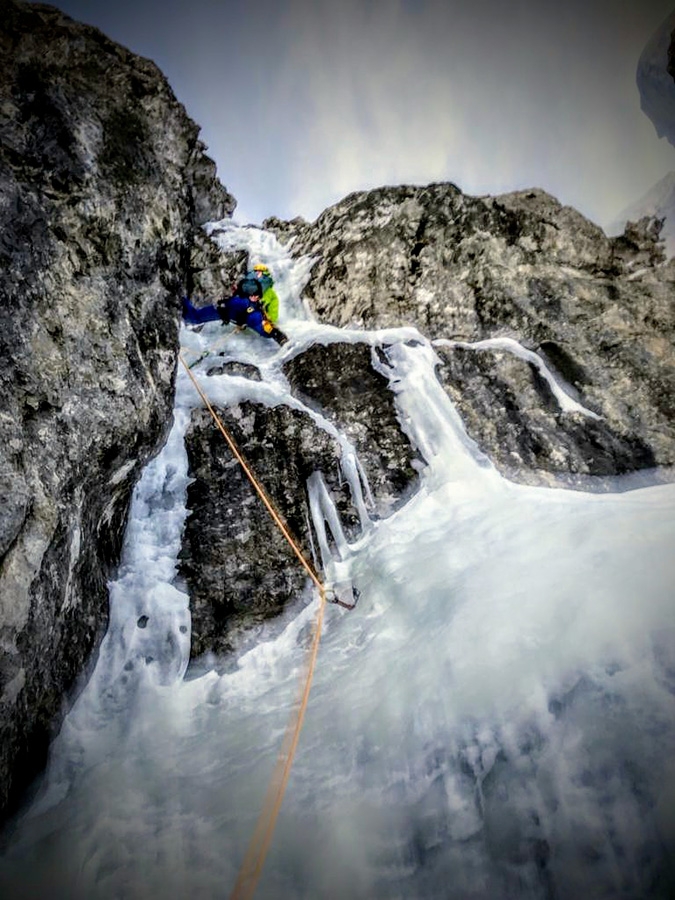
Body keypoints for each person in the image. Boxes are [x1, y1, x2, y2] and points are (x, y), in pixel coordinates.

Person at [182, 276, 288, 345]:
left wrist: (275, 334)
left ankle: (181, 301)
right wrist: (276, 335)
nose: (257, 298)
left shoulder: (244, 304)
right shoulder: (244, 304)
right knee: (194, 318)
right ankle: (181, 301)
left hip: (226, 312)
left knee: (195, 318)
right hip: (226, 311)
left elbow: (224, 305)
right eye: (256, 296)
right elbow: (264, 329)